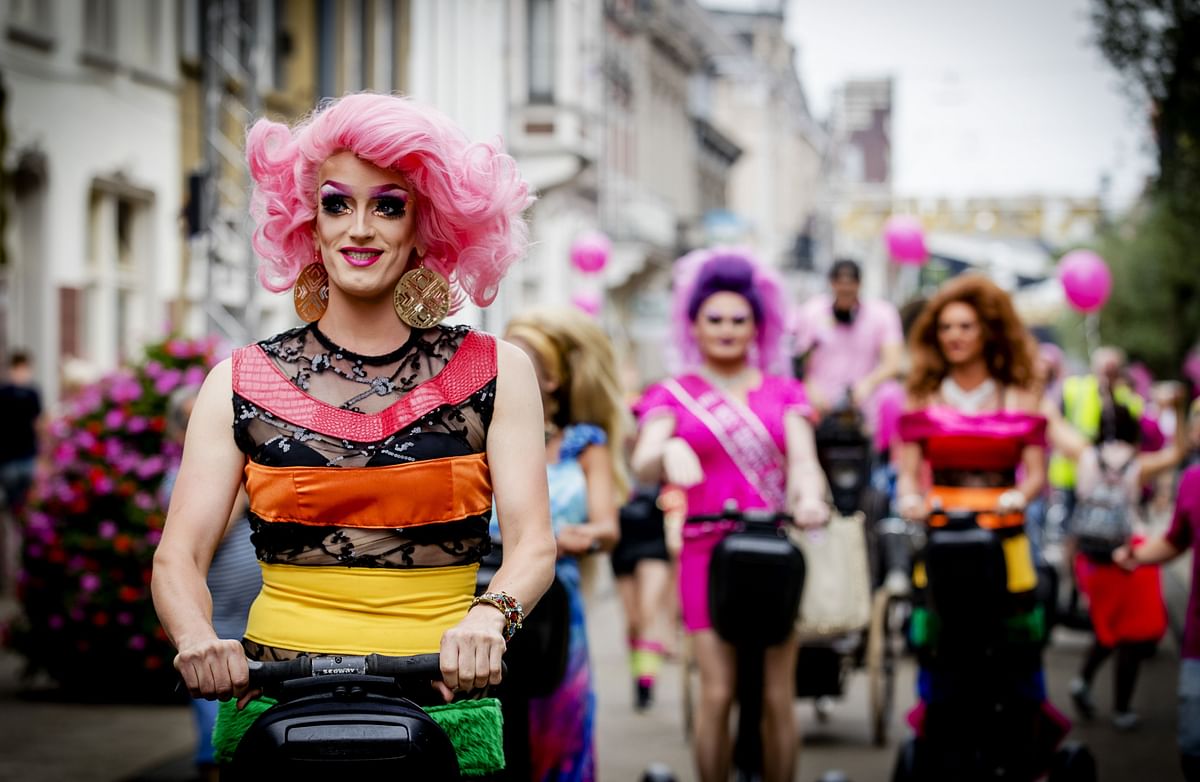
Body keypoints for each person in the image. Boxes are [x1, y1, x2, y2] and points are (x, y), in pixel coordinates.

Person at [150, 93, 558, 771]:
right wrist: (196, 637)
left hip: (445, 695)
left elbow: (533, 544)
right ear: (308, 221)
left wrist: (492, 617)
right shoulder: (238, 379)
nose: (359, 228)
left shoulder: (497, 371)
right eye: (338, 203)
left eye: (388, 205)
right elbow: (177, 557)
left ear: (426, 226)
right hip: (276, 701)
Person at [631, 248, 828, 782]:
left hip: (773, 551)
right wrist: (665, 455)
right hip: (703, 551)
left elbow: (806, 463)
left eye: (739, 320)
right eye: (714, 318)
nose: (726, 329)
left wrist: (810, 497)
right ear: (692, 324)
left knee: (775, 694)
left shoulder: (783, 391)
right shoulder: (672, 395)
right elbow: (642, 460)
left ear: (757, 327)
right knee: (715, 692)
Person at [895, 274, 1067, 765]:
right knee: (936, 635)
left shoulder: (1018, 394)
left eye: (966, 326)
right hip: (942, 535)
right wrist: (911, 498)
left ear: (987, 331)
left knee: (1017, 637)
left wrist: (1018, 495)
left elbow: (1037, 474)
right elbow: (909, 475)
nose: (955, 336)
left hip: (1006, 535)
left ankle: (1022, 740)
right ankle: (939, 738)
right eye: (946, 327)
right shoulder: (923, 396)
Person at [499, 306, 628, 781]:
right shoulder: (484, 436)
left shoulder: (584, 444)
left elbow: (607, 527)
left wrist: (581, 537)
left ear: (552, 379)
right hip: (485, 590)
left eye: (521, 358)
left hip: (557, 600)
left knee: (558, 715)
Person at [1048, 398, 1184, 730]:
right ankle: (1121, 708)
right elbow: (1179, 452)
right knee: (1134, 635)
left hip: (1091, 557)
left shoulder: (1085, 455)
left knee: (1107, 627)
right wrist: (1177, 410)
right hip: (1130, 556)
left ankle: (1083, 681)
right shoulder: (1140, 464)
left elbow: (1053, 425)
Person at [161, 385, 261, 781]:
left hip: (261, 624)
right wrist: (240, 485)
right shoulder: (177, 482)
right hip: (216, 627)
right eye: (189, 421)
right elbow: (196, 542)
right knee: (218, 742)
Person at [1114, 464, 1200, 781]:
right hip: (1197, 644)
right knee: (1193, 748)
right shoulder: (1193, 479)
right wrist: (1136, 556)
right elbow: (1178, 539)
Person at [790, 258, 903, 425]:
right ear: (832, 284)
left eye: (850, 287)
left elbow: (892, 364)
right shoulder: (812, 312)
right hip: (818, 408)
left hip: (863, 411)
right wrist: (811, 389)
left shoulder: (881, 314)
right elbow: (799, 361)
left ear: (859, 285)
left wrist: (868, 384)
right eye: (841, 286)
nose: (846, 292)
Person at [0, 350, 42, 595]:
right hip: (10, 461)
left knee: (24, 516)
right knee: (16, 516)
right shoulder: (5, 393)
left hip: (25, 459)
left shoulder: (32, 392)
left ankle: (22, 566)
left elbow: (38, 423)